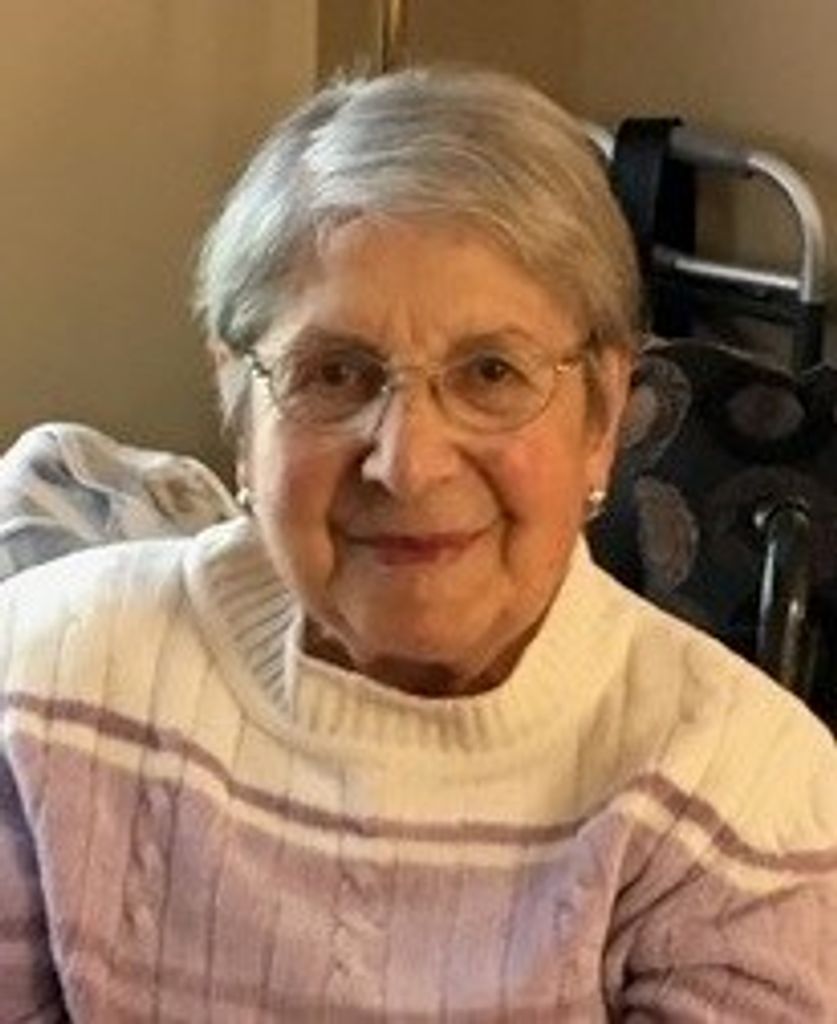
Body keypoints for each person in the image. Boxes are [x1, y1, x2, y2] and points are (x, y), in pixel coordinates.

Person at [1, 66, 835, 1022]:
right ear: (238, 405)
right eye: (335, 373)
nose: (408, 465)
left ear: (602, 414)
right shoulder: (49, 682)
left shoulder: (741, 793)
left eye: (491, 372)